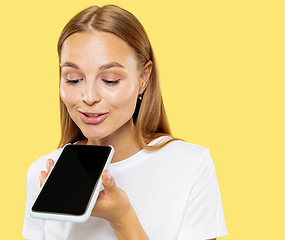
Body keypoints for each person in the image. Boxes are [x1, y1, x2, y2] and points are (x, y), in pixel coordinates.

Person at [22, 4, 228, 240]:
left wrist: (122, 218)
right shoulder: (42, 174)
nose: (89, 97)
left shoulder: (190, 166)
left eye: (110, 80)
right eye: (74, 79)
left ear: (143, 78)